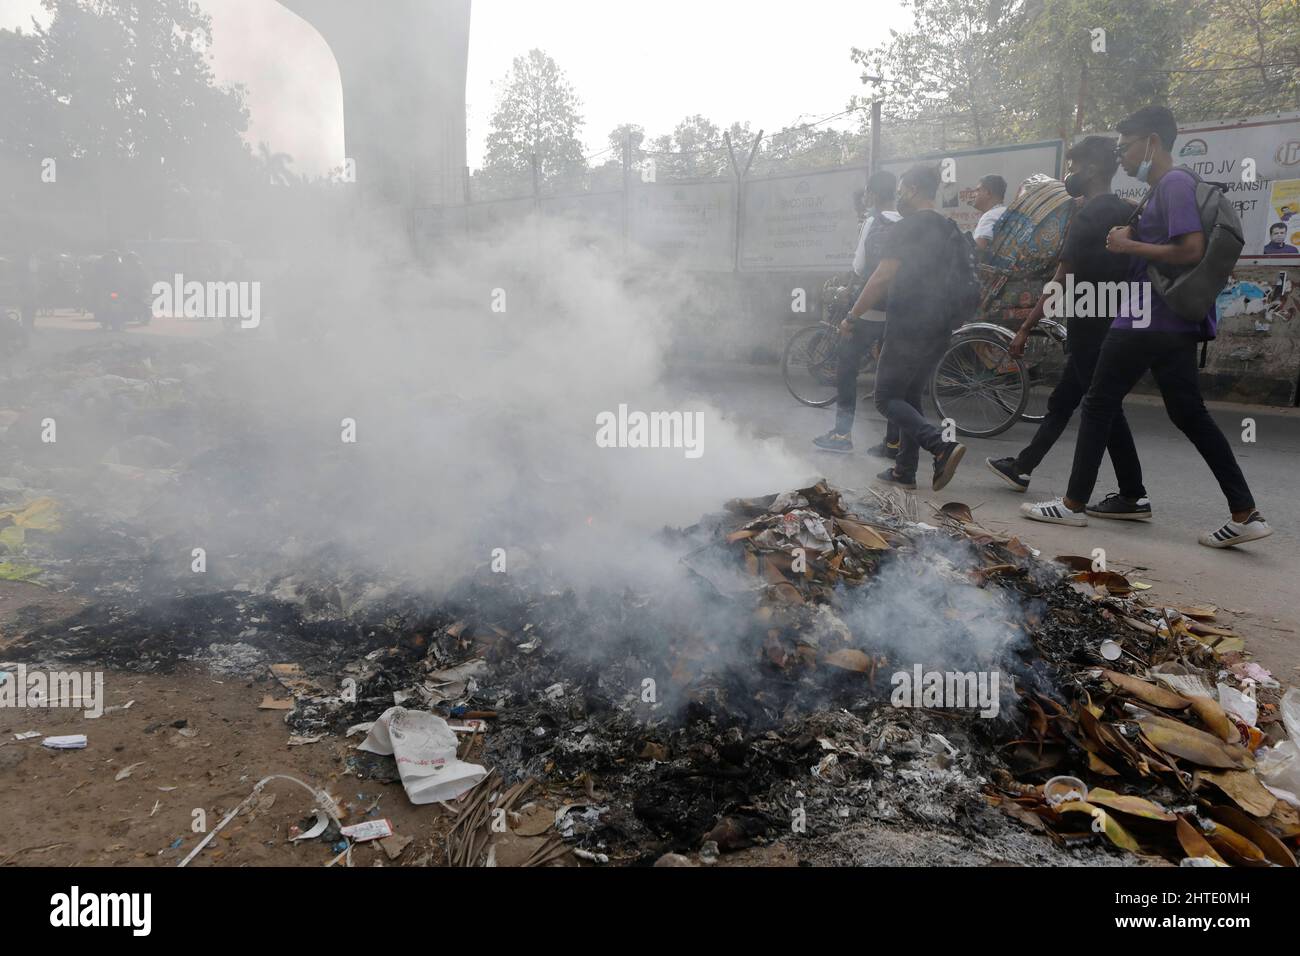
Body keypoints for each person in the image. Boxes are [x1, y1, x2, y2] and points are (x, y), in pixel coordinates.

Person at [1022, 106, 1271, 549]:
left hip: (1148, 316)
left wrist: (1126, 243)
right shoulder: (1164, 188)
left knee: (1098, 401)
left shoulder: (1174, 183)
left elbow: (1190, 250)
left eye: (1126, 146)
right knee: (1188, 412)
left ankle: (1073, 505)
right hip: (1171, 321)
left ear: (1151, 141)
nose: (1122, 156)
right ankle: (1245, 513)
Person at [986, 136, 1149, 518]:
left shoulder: (1089, 214)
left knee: (1102, 406)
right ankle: (1023, 466)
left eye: (1074, 167)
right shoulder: (1122, 210)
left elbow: (1060, 277)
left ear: (1091, 169)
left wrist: (1026, 327)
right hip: (1112, 318)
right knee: (1066, 400)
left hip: (1091, 326)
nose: (1070, 175)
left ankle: (1132, 494)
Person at [846, 164, 967, 491]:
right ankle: (905, 471)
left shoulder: (907, 228)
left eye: (901, 189)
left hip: (909, 325)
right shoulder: (949, 228)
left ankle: (941, 445)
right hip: (940, 326)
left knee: (886, 398)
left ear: (913, 189)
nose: (898, 195)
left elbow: (881, 278)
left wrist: (852, 316)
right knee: (911, 395)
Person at [813, 170, 902, 457]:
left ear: (873, 194)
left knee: (847, 367)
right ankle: (893, 442)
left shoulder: (874, 221)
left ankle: (841, 433)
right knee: (892, 377)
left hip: (870, 310)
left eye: (867, 193)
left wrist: (850, 306)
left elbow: (861, 267)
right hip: (900, 310)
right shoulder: (907, 221)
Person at [971, 174, 1008, 253]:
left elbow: (977, 250)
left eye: (978, 190)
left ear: (988, 193)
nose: (973, 195)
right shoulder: (1007, 211)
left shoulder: (990, 216)